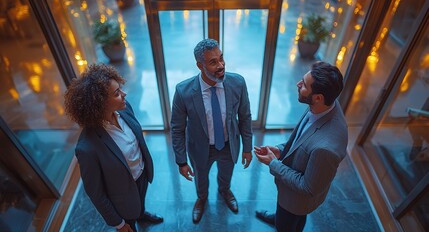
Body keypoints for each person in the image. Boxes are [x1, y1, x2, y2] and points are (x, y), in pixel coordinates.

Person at [64, 64, 163, 232]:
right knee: (129, 221)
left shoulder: (124, 109)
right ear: (99, 103)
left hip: (141, 175)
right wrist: (119, 224)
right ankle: (131, 221)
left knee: (139, 202)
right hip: (122, 193)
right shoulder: (87, 148)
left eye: (120, 89)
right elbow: (96, 193)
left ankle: (140, 213)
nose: (124, 94)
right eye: (117, 93)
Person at [254, 61, 348, 232]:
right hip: (291, 198)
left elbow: (307, 187)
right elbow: (301, 139)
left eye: (304, 85)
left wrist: (273, 163)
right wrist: (281, 150)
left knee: (288, 223)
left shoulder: (325, 149)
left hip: (297, 201)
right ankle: (280, 219)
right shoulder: (323, 104)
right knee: (290, 218)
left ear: (318, 97)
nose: (298, 84)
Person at [171, 38, 253, 223]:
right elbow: (177, 129)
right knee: (201, 178)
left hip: (228, 144)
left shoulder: (237, 83)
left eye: (221, 58)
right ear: (200, 65)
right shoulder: (183, 91)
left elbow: (245, 117)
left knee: (226, 174)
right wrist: (181, 161)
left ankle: (225, 190)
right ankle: (202, 198)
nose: (221, 65)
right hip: (200, 148)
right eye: (213, 62)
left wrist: (247, 148)